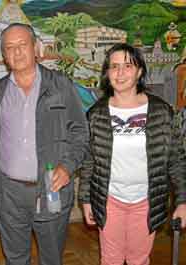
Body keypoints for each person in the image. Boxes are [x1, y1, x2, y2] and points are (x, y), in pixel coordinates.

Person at [79, 43, 186, 265]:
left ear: (139, 72)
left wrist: (183, 201)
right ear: (107, 73)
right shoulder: (97, 114)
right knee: (111, 260)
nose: (120, 73)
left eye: (128, 66)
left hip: (146, 201)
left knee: (139, 259)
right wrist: (86, 199)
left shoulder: (161, 112)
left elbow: (175, 159)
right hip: (109, 200)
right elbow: (89, 161)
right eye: (114, 66)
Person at [0, 23, 89, 265]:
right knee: (15, 258)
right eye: (9, 48)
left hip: (50, 189)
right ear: (3, 55)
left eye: (22, 45)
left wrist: (67, 166)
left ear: (35, 48)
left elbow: (80, 131)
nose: (17, 52)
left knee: (52, 258)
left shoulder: (61, 85)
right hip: (9, 193)